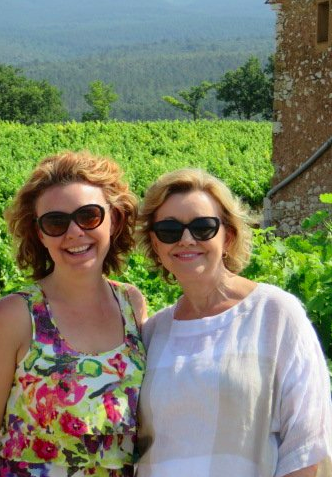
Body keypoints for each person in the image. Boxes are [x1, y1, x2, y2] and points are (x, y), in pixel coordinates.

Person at [0, 151, 148, 477]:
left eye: (88, 216)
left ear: (114, 219)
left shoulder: (131, 304)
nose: (74, 232)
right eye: (56, 222)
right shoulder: (15, 316)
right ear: (41, 234)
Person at [135, 168, 332, 477]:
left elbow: (306, 444)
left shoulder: (275, 315)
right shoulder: (154, 332)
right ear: (156, 245)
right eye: (170, 230)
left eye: (203, 227)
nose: (186, 239)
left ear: (228, 236)